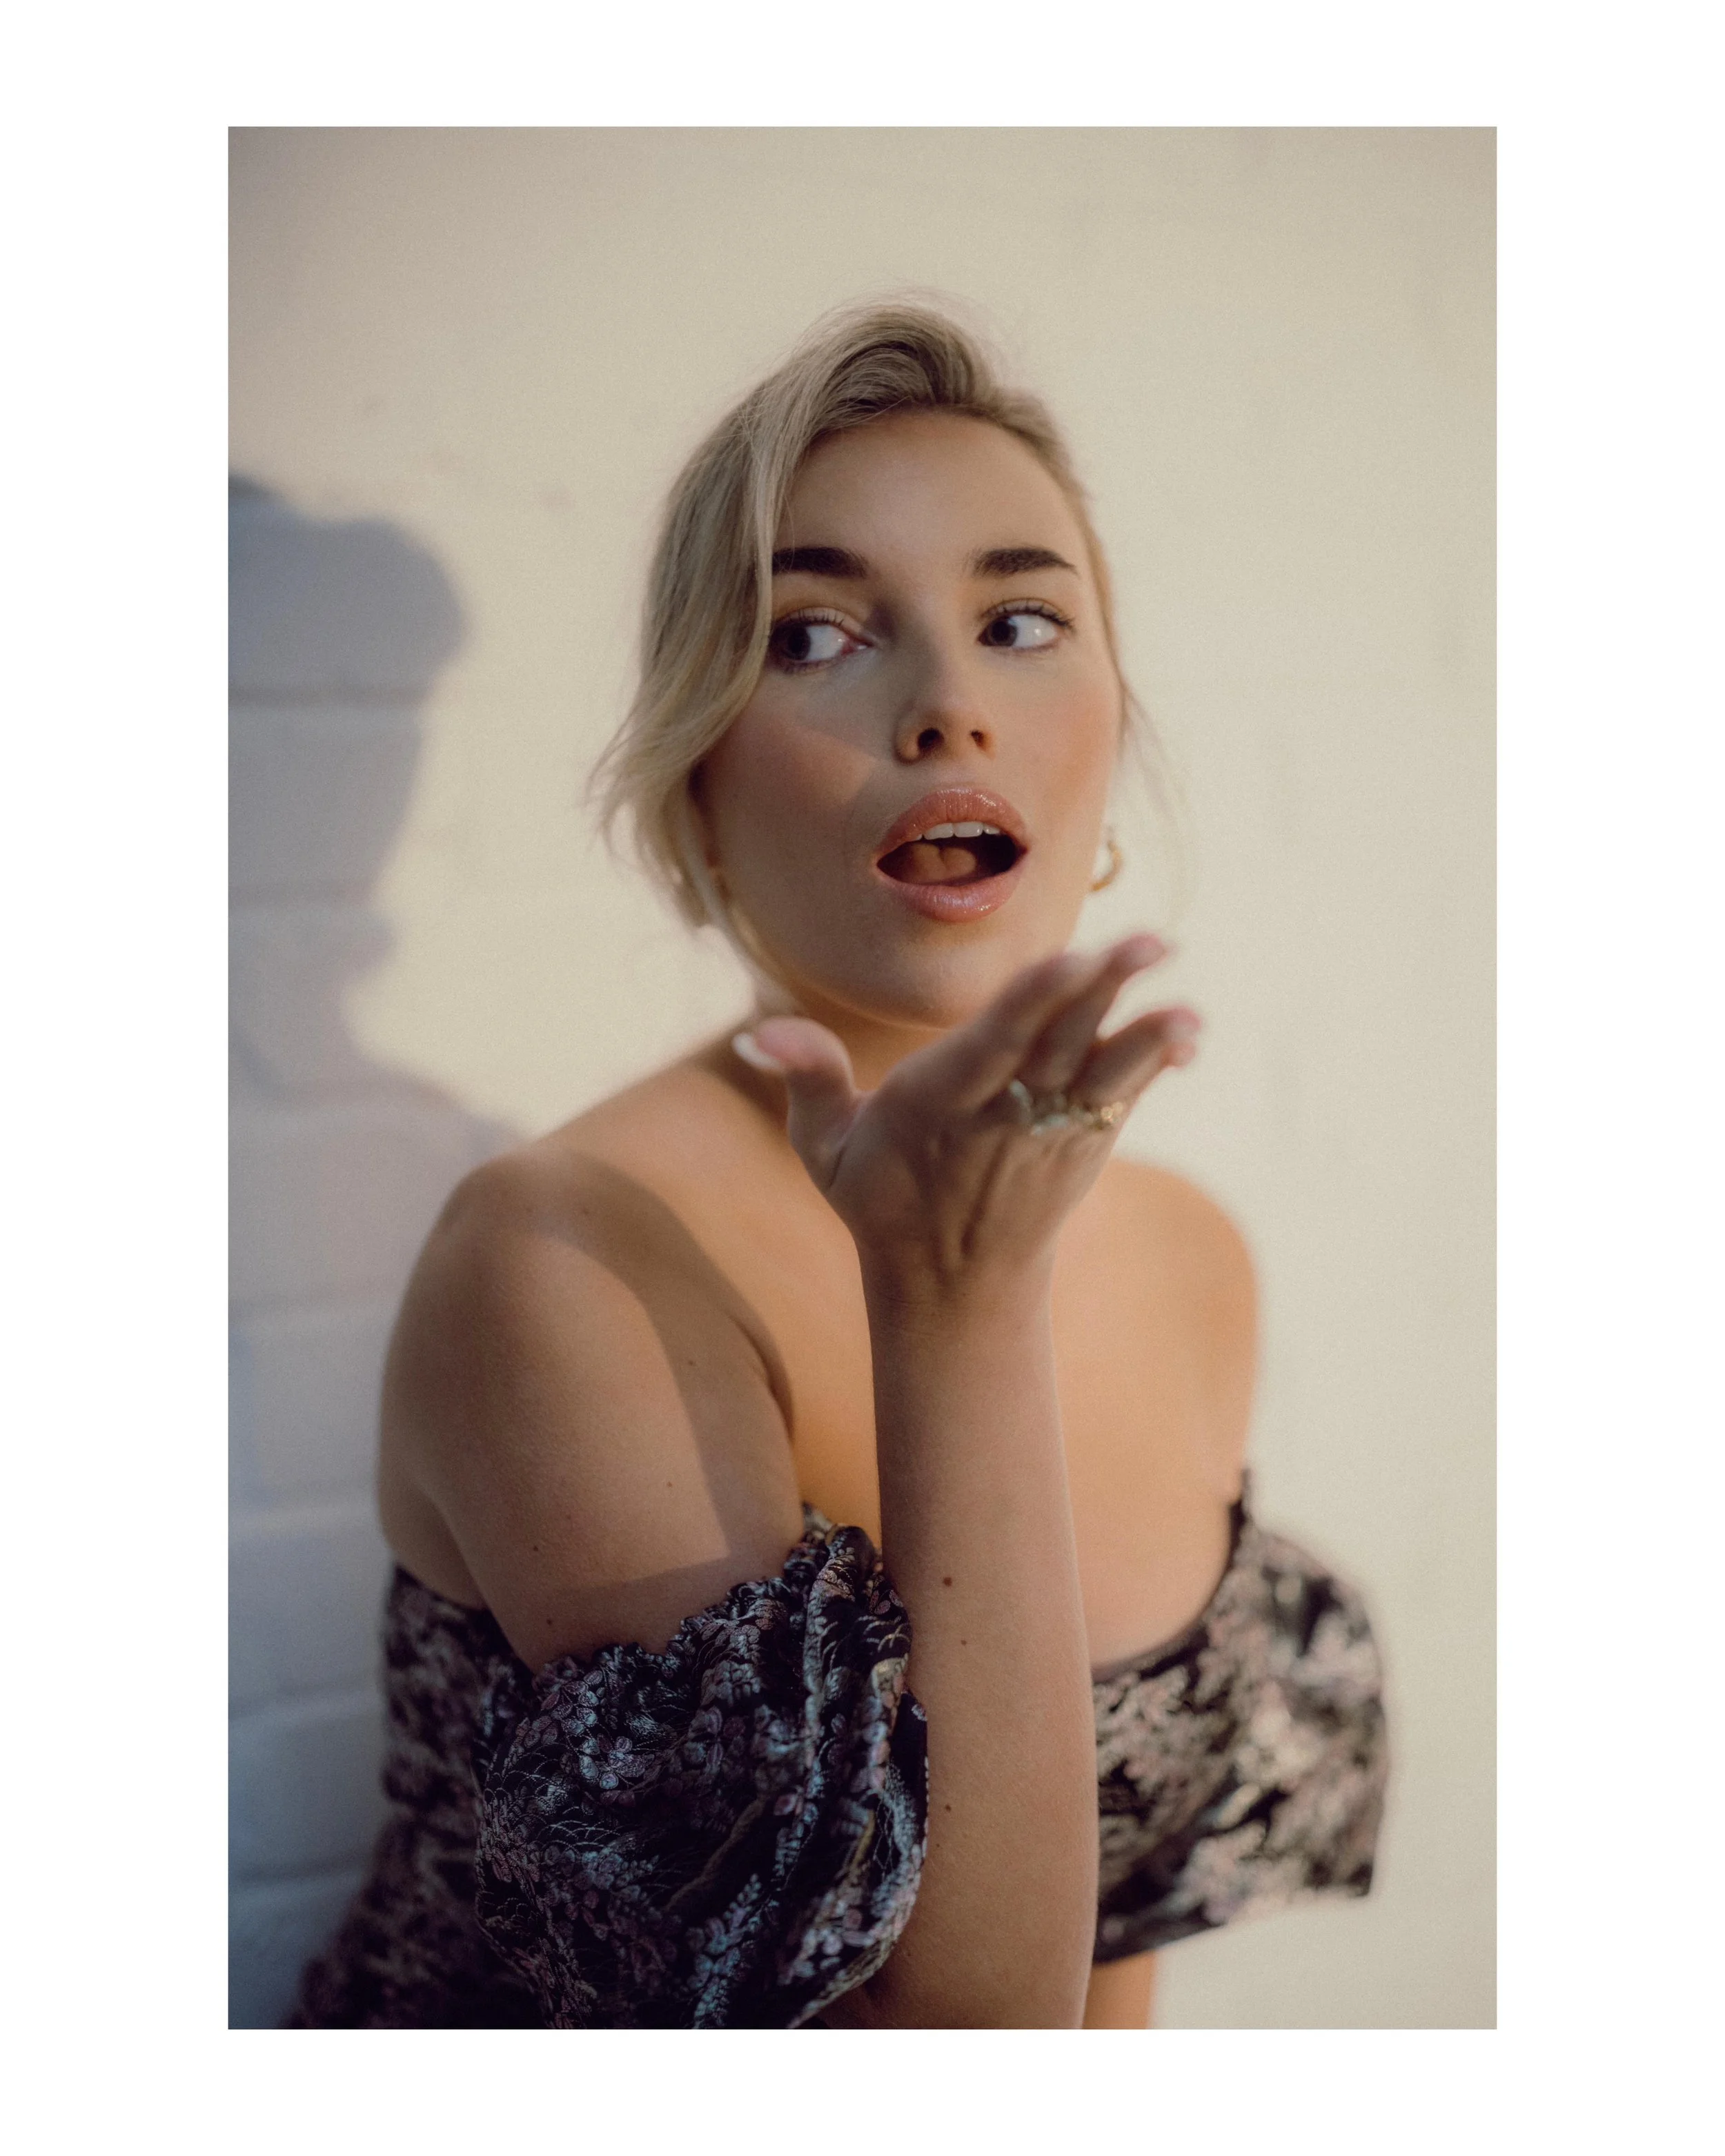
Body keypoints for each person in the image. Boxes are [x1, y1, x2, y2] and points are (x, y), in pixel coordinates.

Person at [288, 301, 1387, 2030]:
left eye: (1020, 620)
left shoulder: (1189, 1257)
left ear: (1110, 726)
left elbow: (1106, 1966)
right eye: (812, 635)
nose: (948, 703)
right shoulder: (570, 1268)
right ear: (696, 784)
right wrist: (950, 1309)